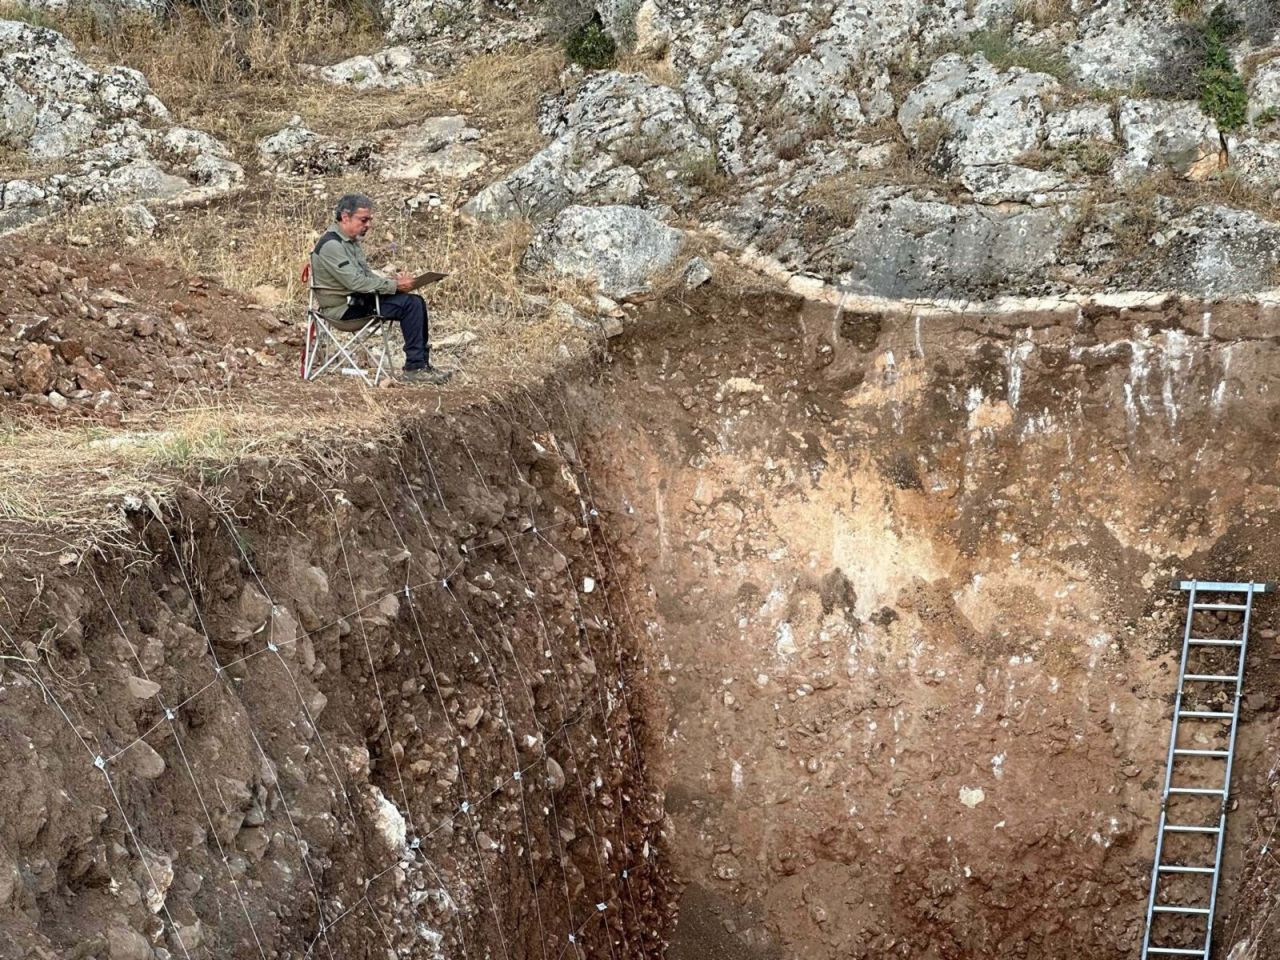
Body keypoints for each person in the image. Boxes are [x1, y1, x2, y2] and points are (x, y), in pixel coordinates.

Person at [310, 193, 451, 385]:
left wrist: (395, 284)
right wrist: (394, 287)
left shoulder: (350, 242)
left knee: (414, 302)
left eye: (369, 220)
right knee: (411, 305)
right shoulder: (332, 245)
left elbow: (366, 277)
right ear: (345, 217)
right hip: (344, 310)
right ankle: (415, 367)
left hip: (358, 301)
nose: (368, 224)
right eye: (363, 219)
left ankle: (420, 364)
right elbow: (356, 283)